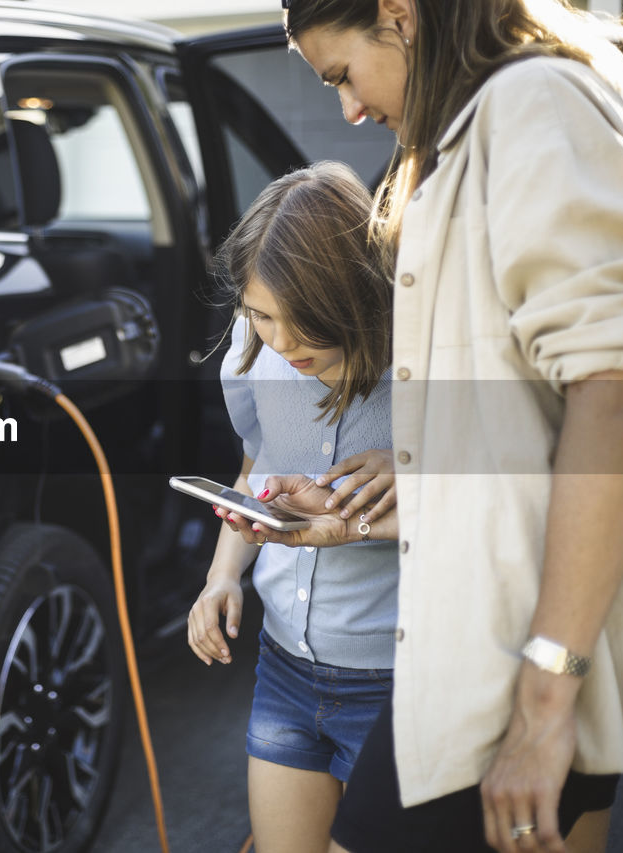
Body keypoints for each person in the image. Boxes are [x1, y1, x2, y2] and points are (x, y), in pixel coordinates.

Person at [263, 2, 623, 852]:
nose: (347, 110)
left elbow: (620, 398)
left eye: (342, 74)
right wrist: (360, 511)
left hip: (521, 659)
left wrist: (544, 701)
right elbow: (531, 428)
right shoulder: (480, 124)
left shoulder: (535, 103)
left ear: (399, 14)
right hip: (500, 639)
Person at [186, 160, 401, 853]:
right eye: (259, 314)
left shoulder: (424, 372)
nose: (278, 341)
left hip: (394, 681)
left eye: (298, 323)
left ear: (353, 301)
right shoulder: (260, 350)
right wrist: (224, 575)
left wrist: (363, 515)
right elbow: (261, 462)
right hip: (283, 667)